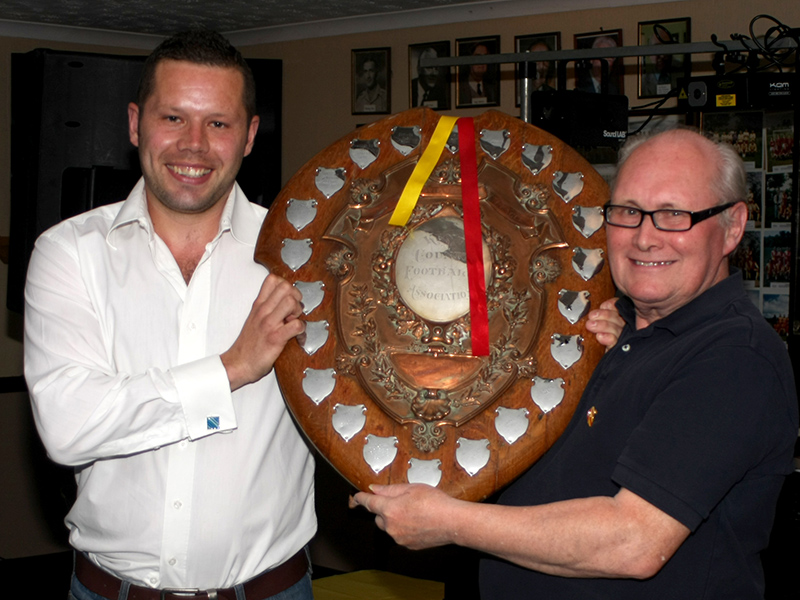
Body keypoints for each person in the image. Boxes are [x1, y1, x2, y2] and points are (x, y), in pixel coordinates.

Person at [351, 128, 798, 599]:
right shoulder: (602, 329)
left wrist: (449, 522)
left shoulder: (735, 358)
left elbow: (634, 541)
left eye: (674, 215)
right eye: (628, 212)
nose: (645, 238)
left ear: (732, 226)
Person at [25, 29, 317, 600]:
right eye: (173, 118)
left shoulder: (302, 260)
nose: (194, 145)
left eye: (218, 123)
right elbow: (67, 428)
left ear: (249, 136)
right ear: (136, 124)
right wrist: (232, 369)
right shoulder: (69, 254)